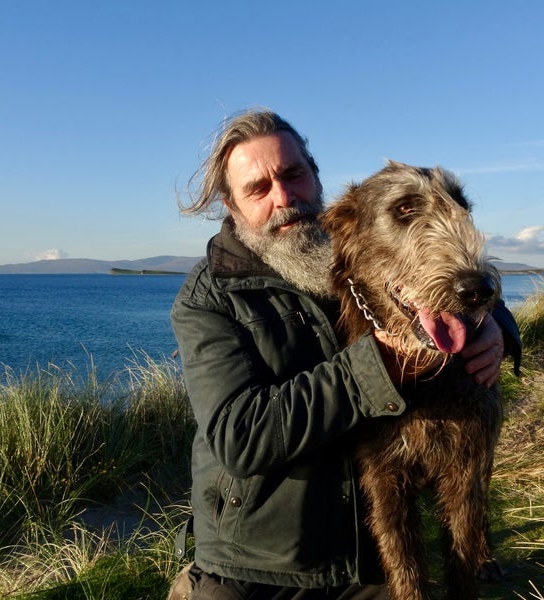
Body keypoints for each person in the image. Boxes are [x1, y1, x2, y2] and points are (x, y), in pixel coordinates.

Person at [170, 109, 521, 599]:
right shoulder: (209, 297)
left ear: (315, 176)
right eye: (258, 188)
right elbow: (240, 438)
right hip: (254, 560)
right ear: (231, 205)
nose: (284, 198)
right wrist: (382, 365)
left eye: (293, 175)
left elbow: (441, 268)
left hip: (363, 553)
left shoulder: (353, 241)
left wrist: (495, 324)